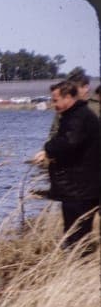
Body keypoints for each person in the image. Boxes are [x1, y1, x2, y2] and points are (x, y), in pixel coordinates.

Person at [41, 80, 100, 252]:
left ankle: (80, 266)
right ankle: (79, 264)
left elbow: (69, 142)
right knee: (76, 233)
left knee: (77, 235)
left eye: (56, 100)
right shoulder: (77, 115)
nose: (54, 104)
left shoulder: (78, 117)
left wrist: (48, 149)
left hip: (79, 189)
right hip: (81, 187)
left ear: (68, 97)